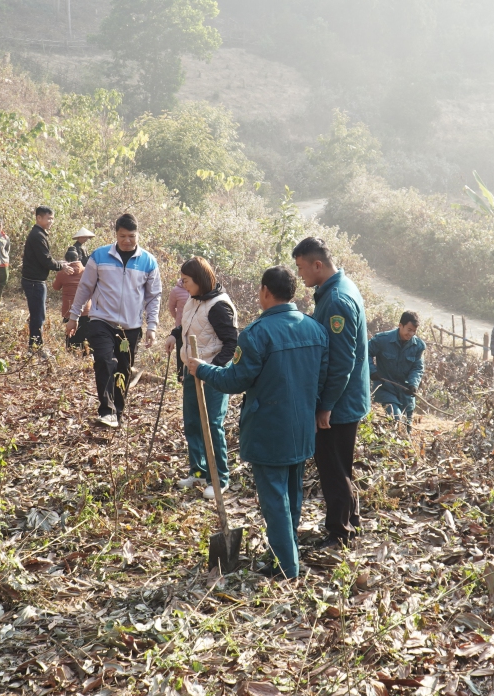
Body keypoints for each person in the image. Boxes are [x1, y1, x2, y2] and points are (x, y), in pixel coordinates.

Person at [185, 266, 328, 579]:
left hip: (269, 428)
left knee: (275, 498)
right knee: (292, 493)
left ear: (265, 291)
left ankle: (286, 569)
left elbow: (237, 379)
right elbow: (323, 377)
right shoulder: (315, 329)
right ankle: (283, 553)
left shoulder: (257, 333)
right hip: (302, 426)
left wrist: (202, 370)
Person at [292, 236, 369, 549]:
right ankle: (351, 521)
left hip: (340, 402)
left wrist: (326, 406)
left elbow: (341, 363)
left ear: (317, 264)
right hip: (346, 398)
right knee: (341, 466)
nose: (300, 275)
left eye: (301, 267)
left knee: (333, 468)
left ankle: (340, 533)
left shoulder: (337, 300)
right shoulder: (339, 288)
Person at [67, 214, 162, 427]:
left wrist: (152, 326)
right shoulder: (99, 256)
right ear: (115, 234)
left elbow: (153, 296)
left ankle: (117, 413)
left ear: (138, 234)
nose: (127, 240)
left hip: (131, 326)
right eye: (122, 236)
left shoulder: (148, 261)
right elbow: (85, 287)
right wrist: (74, 316)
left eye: (131, 236)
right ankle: (106, 410)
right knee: (103, 360)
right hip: (102, 320)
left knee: (124, 369)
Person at [165, 258, 238, 498]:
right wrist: (174, 335)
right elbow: (187, 327)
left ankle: (219, 478)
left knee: (212, 425)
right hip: (192, 370)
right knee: (193, 422)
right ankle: (198, 472)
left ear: (200, 280)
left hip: (213, 376)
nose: (183, 285)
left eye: (186, 281)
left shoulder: (219, 306)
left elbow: (232, 343)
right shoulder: (194, 300)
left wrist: (212, 370)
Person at [369, 311, 426, 430]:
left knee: (406, 427)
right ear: (400, 325)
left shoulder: (418, 346)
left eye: (414, 331)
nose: (411, 334)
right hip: (386, 388)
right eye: (409, 329)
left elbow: (417, 368)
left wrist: (413, 384)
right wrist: (372, 371)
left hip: (406, 392)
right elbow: (364, 353)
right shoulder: (382, 340)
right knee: (396, 419)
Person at [21, 206, 66, 352]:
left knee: (38, 315)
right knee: (38, 317)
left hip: (36, 281)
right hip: (34, 282)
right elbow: (46, 261)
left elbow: (47, 259)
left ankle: (34, 346)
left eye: (52, 218)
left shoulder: (40, 234)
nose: (51, 221)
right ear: (39, 218)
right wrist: (62, 266)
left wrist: (62, 263)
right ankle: (36, 348)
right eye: (48, 218)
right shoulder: (37, 236)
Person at [52, 249, 89, 349]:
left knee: (71, 335)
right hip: (86, 309)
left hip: (69, 308)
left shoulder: (62, 273)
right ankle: (86, 354)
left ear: (65, 259)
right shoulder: (87, 271)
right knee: (85, 334)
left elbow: (55, 287)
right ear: (78, 258)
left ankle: (72, 352)